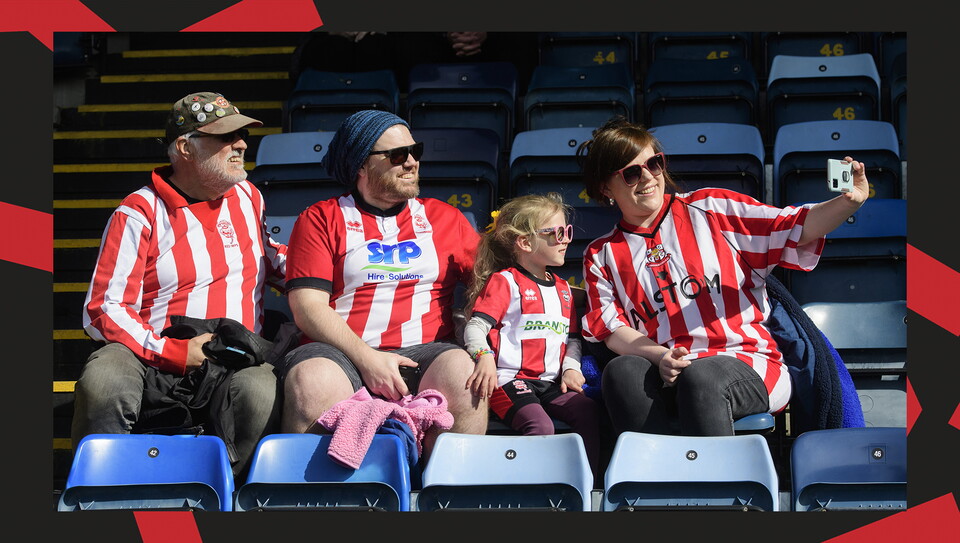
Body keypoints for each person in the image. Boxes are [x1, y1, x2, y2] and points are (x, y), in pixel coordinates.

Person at [576, 117, 869, 436]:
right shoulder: (601, 254)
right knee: (620, 371)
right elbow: (612, 330)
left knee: (702, 377)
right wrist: (660, 357)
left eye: (654, 164)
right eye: (631, 173)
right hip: (668, 370)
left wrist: (846, 203)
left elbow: (794, 227)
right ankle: (655, 481)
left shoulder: (712, 208)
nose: (647, 177)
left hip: (747, 362)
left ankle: (719, 485)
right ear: (606, 188)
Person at [71, 91, 286, 476]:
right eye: (225, 137)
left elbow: (267, 257)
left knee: (260, 392)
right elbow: (103, 308)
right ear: (185, 148)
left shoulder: (248, 196)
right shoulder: (139, 210)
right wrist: (171, 351)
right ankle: (103, 492)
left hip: (235, 355)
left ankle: (226, 498)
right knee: (103, 382)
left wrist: (330, 266)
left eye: (241, 135)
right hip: (149, 352)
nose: (240, 144)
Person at [276, 110, 487, 458]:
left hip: (426, 350)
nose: (411, 163)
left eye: (415, 151)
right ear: (361, 166)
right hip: (338, 352)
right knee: (312, 381)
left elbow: (492, 284)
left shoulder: (444, 217)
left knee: (465, 376)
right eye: (397, 155)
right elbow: (308, 308)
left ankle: (447, 498)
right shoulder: (320, 219)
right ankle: (314, 502)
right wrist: (368, 359)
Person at [462, 193, 601, 480]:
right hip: (509, 383)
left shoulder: (563, 288)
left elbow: (572, 340)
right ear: (525, 243)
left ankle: (586, 488)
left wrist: (571, 369)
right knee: (540, 426)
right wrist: (484, 357)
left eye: (568, 231)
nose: (565, 240)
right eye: (556, 233)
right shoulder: (506, 281)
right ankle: (535, 493)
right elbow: (475, 327)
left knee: (589, 412)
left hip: (549, 384)